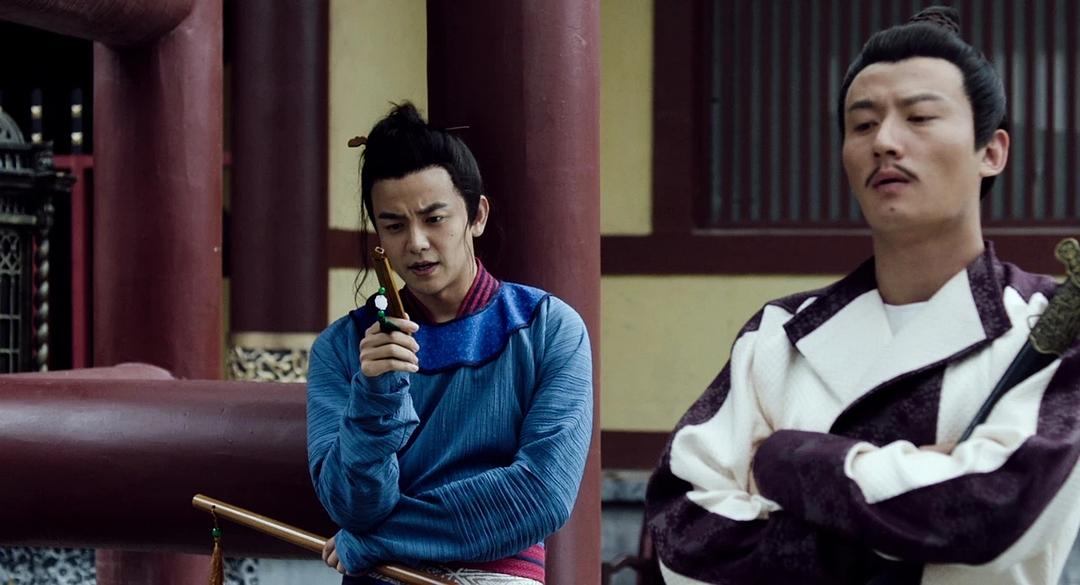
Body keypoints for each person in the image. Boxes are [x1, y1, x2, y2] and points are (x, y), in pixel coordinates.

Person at [645, 7, 1080, 584]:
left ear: (992, 151)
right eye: (863, 124)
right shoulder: (780, 335)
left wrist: (786, 459)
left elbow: (996, 512)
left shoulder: (1049, 327)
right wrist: (907, 505)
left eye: (920, 117)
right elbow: (683, 531)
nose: (885, 142)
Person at [306, 102, 593, 584]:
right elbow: (352, 507)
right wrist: (376, 395)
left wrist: (384, 538)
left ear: (476, 215)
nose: (416, 242)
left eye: (434, 218)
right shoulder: (343, 347)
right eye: (394, 225)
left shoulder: (548, 328)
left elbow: (543, 494)